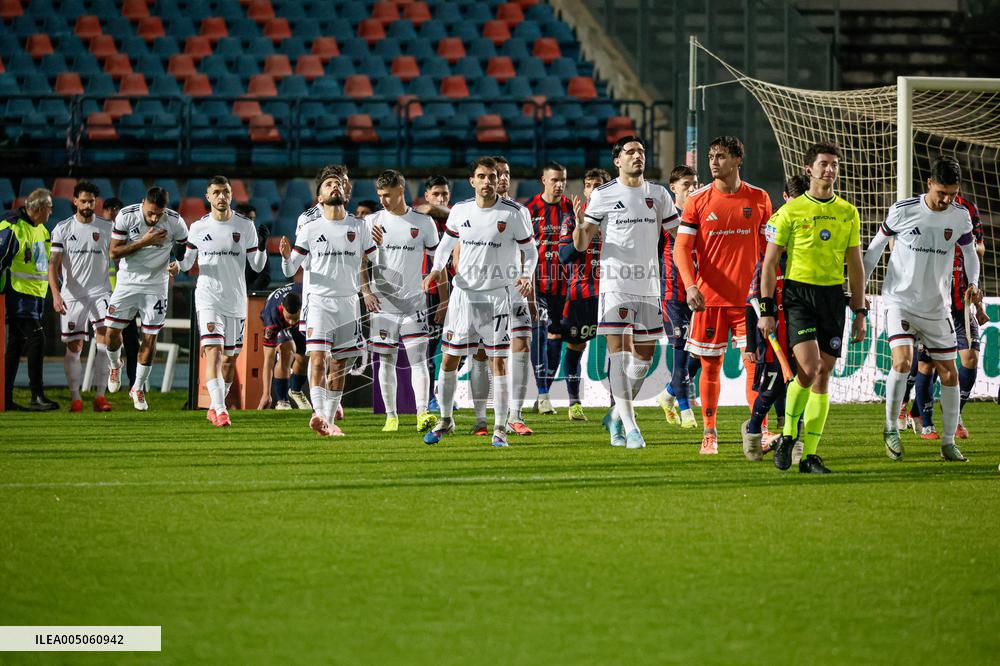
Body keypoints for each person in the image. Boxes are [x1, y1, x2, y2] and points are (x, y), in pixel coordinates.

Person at [759, 140, 866, 474]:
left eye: (834, 164)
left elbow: (856, 265)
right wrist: (766, 309)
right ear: (809, 169)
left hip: (833, 298)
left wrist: (860, 311)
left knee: (823, 376)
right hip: (798, 296)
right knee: (808, 368)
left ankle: (810, 456)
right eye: (823, 164)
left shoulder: (848, 212)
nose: (829, 169)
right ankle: (789, 435)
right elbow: (769, 263)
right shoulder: (789, 212)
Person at [863, 156, 979, 463]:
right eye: (941, 192)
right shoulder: (904, 210)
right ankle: (891, 429)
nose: (946, 200)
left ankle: (949, 442)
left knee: (950, 372)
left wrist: (974, 281)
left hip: (936, 305)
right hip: (900, 300)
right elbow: (875, 248)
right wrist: (859, 289)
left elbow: (970, 252)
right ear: (929, 184)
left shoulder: (960, 216)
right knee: (903, 362)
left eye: (952, 194)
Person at [421, 156, 538, 447]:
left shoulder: (514, 213)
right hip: (463, 296)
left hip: (497, 297)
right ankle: (446, 420)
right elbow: (445, 245)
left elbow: (531, 251)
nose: (488, 181)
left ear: (500, 180)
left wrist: (526, 275)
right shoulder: (460, 211)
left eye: (493, 176)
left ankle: (499, 427)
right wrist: (436, 270)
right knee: (449, 359)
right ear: (472, 181)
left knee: (499, 362)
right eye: (482, 176)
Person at [574, 136, 680, 449]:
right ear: (617, 160)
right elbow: (582, 245)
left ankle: (616, 416)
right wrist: (581, 225)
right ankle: (632, 429)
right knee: (618, 355)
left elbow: (678, 236)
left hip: (649, 285)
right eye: (630, 152)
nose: (637, 156)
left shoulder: (658, 194)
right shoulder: (604, 194)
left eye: (641, 151)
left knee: (644, 359)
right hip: (616, 285)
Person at [673, 136, 774, 455]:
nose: (713, 162)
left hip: (749, 301)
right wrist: (690, 285)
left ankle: (760, 430)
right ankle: (710, 433)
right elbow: (682, 249)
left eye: (720, 156)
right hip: (709, 299)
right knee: (710, 366)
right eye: (711, 156)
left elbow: (769, 252)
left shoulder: (759, 199)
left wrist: (768, 293)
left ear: (737, 160)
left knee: (754, 365)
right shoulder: (698, 201)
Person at [280, 169, 379, 437]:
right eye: (328, 184)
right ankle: (321, 416)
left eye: (338, 183)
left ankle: (330, 419)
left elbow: (375, 259)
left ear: (345, 193)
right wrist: (287, 257)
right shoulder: (310, 227)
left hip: (348, 302)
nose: (334, 186)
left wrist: (380, 248)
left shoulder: (359, 226)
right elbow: (291, 270)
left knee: (339, 365)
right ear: (319, 196)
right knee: (318, 359)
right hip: (320, 302)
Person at [178, 176, 267, 427]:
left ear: (231, 195)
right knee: (214, 352)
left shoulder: (245, 225)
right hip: (208, 298)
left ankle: (218, 403)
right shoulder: (198, 227)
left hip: (235, 301)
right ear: (208, 197)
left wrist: (260, 246)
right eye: (216, 192)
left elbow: (257, 266)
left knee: (230, 359)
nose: (221, 196)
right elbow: (187, 264)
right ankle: (220, 409)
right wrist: (178, 256)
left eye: (225, 192)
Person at [360, 169, 440, 433]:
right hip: (383, 303)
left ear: (400, 191)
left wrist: (432, 281)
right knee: (386, 360)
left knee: (418, 359)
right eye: (380, 195)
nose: (383, 200)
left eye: (387, 195)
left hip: (414, 302)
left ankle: (422, 413)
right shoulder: (371, 222)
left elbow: (437, 261)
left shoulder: (423, 222)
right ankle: (391, 416)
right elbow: (361, 261)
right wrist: (366, 292)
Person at [741, 174, 810, 461]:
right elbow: (751, 303)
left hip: (802, 335)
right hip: (773, 341)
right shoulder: (767, 265)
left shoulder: (805, 261)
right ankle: (754, 429)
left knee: (798, 392)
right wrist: (749, 344)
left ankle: (792, 442)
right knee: (771, 391)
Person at [104, 187, 188, 411]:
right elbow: (113, 252)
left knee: (150, 339)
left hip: (156, 286)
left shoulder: (174, 221)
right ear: (143, 203)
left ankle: (138, 387)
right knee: (111, 333)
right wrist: (144, 241)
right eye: (150, 213)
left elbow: (188, 248)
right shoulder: (126, 215)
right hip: (127, 283)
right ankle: (115, 365)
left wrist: (179, 264)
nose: (154, 218)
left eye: (158, 214)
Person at [47, 180, 114, 412]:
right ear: (75, 201)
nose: (87, 205)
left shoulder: (107, 227)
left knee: (105, 340)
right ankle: (75, 397)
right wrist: (55, 294)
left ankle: (100, 396)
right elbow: (53, 264)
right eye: (83, 201)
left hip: (100, 292)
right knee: (74, 346)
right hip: (72, 295)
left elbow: (121, 255)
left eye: (91, 201)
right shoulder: (62, 229)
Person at [559, 167, 612, 419]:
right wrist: (581, 227)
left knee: (618, 349)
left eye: (598, 185)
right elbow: (564, 255)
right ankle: (574, 403)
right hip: (581, 295)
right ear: (584, 190)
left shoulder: (615, 219)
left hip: (612, 293)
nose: (593, 190)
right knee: (575, 347)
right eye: (589, 185)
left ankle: (617, 403)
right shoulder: (571, 220)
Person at [525, 161, 574, 416]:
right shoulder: (529, 209)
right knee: (541, 332)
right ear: (543, 180)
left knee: (557, 337)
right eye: (554, 180)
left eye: (563, 179)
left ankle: (543, 392)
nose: (559, 184)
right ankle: (543, 394)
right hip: (538, 284)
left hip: (565, 285)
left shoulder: (570, 209)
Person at [2, 188, 58, 411]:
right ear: (40, 208)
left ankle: (4, 397)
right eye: (50, 207)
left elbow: (44, 265)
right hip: (17, 295)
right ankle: (37, 395)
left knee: (16, 345)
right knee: (37, 339)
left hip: (34, 297)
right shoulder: (12, 227)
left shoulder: (41, 230)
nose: (52, 211)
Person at [494, 155, 536, 435]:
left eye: (506, 173)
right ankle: (482, 416)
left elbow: (529, 252)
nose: (503, 178)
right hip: (484, 293)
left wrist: (528, 285)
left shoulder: (521, 211)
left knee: (522, 344)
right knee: (488, 355)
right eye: (497, 173)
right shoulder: (470, 211)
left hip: (516, 291)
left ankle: (515, 415)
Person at [655, 165, 700, 429]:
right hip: (673, 292)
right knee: (681, 352)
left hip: (699, 290)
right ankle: (686, 411)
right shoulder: (665, 218)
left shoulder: (703, 214)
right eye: (687, 184)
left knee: (702, 354)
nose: (692, 188)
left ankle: (669, 393)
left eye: (695, 183)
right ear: (673, 187)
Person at [415, 175, 452, 412]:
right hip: (430, 292)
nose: (440, 199)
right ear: (427, 195)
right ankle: (429, 398)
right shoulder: (419, 218)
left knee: (463, 346)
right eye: (436, 194)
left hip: (458, 289)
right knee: (428, 349)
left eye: (445, 194)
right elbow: (425, 209)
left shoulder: (457, 219)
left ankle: (444, 394)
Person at [103, 197, 140, 387]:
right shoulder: (99, 233)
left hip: (125, 295)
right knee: (106, 339)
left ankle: (135, 382)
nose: (112, 211)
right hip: (103, 296)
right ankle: (107, 376)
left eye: (115, 208)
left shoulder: (127, 235)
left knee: (132, 341)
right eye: (108, 208)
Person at [258, 283, 305, 410]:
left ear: (301, 309)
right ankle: (282, 401)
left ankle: (295, 390)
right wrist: (266, 394)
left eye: (295, 318)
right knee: (287, 351)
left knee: (304, 357)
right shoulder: (272, 318)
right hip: (279, 324)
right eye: (289, 318)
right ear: (282, 307)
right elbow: (268, 360)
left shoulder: (308, 300)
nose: (291, 322)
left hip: (301, 322)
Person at [236, 202, 271, 293]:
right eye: (248, 219)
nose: (251, 223)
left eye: (253, 219)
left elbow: (265, 276)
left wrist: (249, 293)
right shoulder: (225, 240)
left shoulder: (259, 242)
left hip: (249, 297)